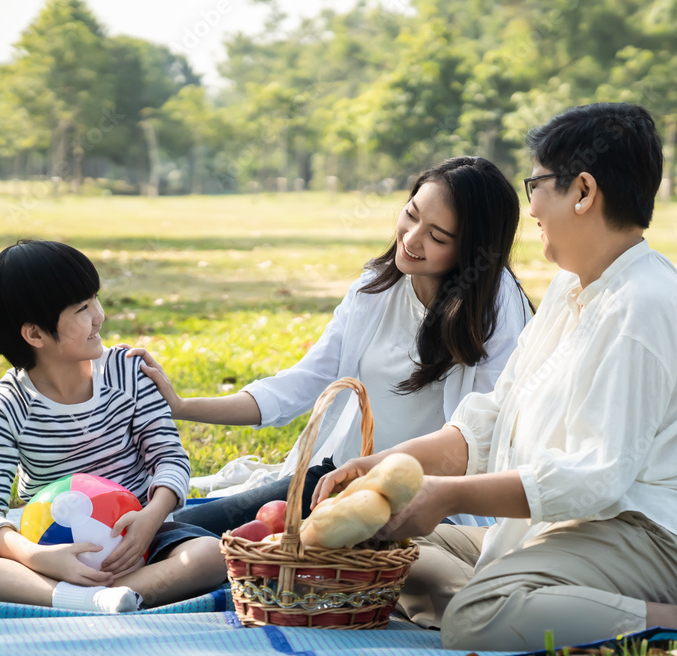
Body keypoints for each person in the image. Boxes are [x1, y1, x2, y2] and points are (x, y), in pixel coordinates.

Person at [312, 103, 677, 651]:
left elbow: (595, 478)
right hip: (563, 529)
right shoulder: (569, 287)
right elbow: (490, 418)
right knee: (374, 546)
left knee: (474, 619)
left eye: (536, 185)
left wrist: (447, 494)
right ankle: (526, 600)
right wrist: (386, 465)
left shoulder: (642, 306)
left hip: (648, 533)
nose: (530, 208)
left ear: (582, 191)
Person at [126, 156, 533, 535]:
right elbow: (304, 382)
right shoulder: (377, 287)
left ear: (473, 250)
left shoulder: (496, 313)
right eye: (410, 214)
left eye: (437, 236)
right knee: (181, 527)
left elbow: (479, 439)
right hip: (335, 479)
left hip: (420, 504)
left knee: (236, 557)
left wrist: (381, 478)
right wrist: (182, 407)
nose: (411, 238)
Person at [0, 241, 226, 613]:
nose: (99, 315)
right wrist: (33, 556)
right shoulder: (8, 406)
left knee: (210, 554)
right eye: (82, 308)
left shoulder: (128, 371)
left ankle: (84, 595)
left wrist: (151, 518)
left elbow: (170, 459)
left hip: (138, 537)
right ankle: (84, 597)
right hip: (51, 551)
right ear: (34, 335)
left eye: (94, 298)